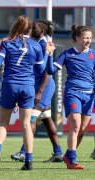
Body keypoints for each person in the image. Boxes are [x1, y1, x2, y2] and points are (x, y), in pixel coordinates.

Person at [0, 15, 55, 171]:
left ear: (15, 27)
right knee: (26, 125)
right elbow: (39, 69)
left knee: (3, 123)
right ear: (30, 30)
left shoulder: (6, 42)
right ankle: (28, 162)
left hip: (10, 85)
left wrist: (6, 66)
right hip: (28, 87)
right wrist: (47, 53)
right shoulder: (36, 46)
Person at [11, 19, 63, 163]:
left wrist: (40, 91)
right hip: (38, 86)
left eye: (34, 27)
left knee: (31, 117)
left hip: (44, 86)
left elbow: (48, 71)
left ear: (42, 30)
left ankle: (23, 152)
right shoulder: (40, 43)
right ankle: (58, 153)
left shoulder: (44, 44)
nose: (31, 29)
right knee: (46, 119)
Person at [46, 24, 95, 169]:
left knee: (82, 130)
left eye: (90, 38)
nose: (89, 40)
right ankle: (72, 160)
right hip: (73, 93)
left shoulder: (93, 54)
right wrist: (49, 55)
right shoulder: (67, 54)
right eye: (86, 38)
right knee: (75, 126)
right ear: (77, 38)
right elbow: (50, 70)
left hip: (89, 95)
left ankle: (67, 155)